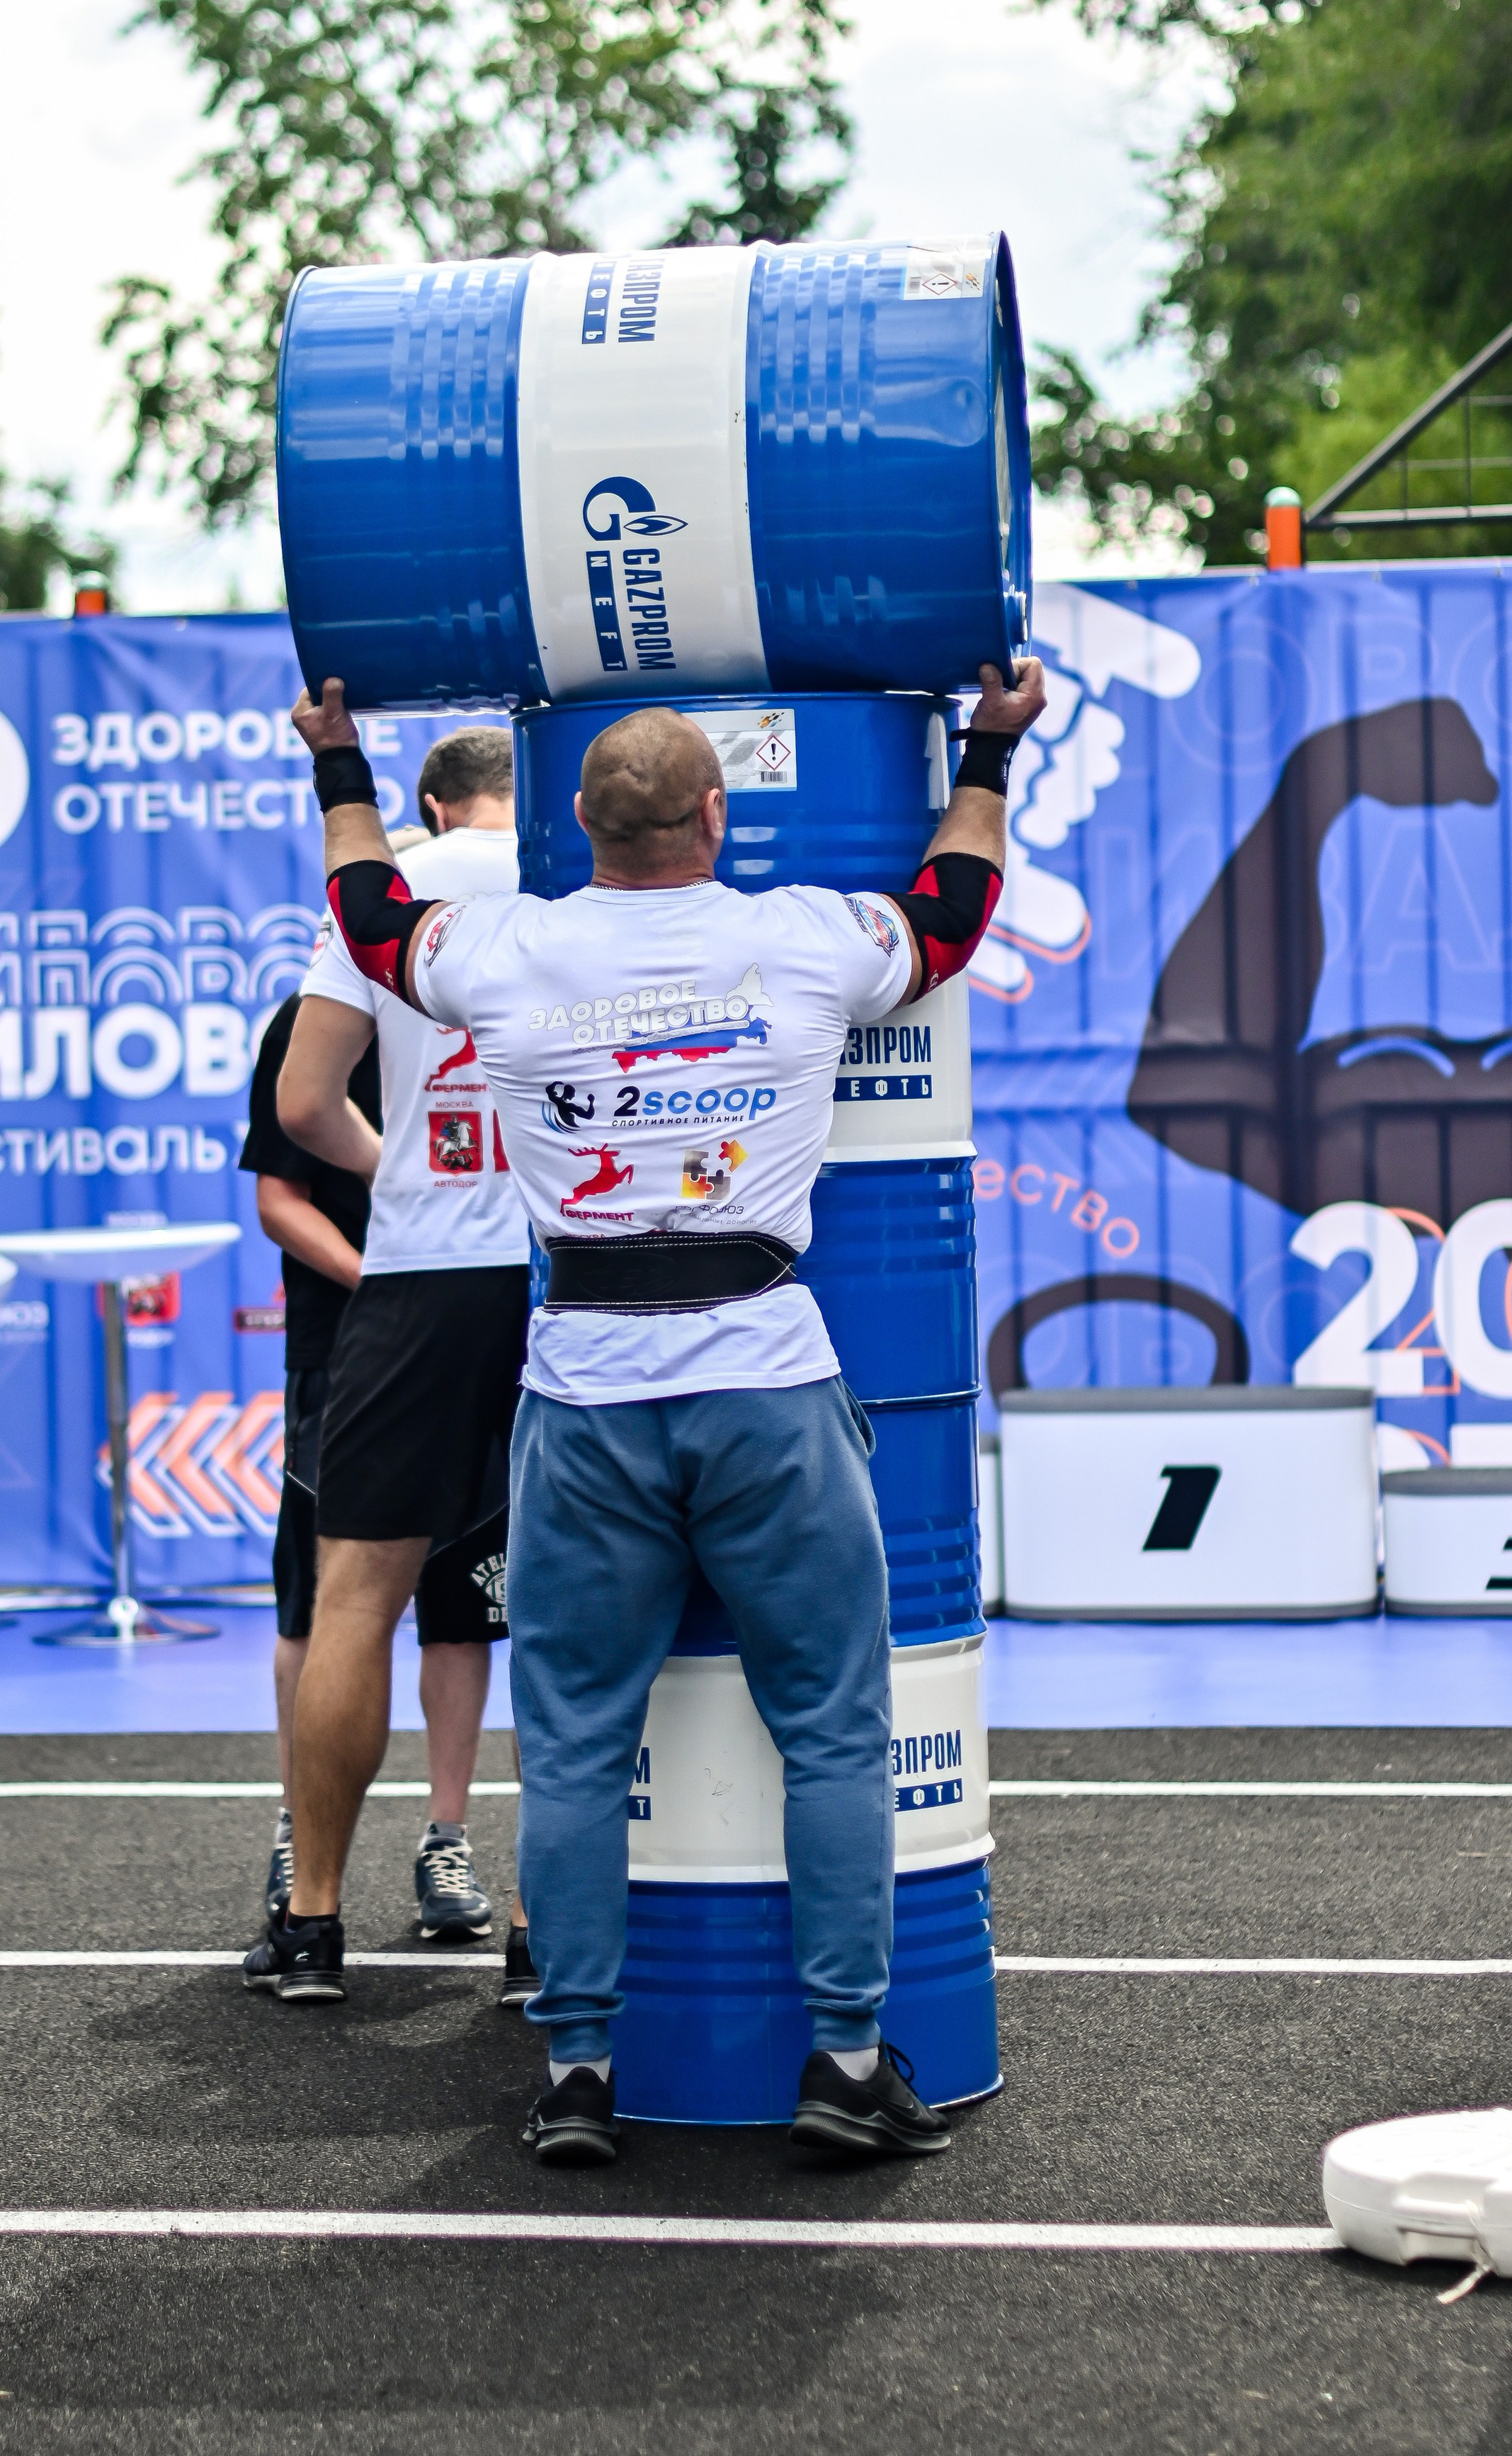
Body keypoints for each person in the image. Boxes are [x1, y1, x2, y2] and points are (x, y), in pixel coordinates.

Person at [297, 654, 1047, 2164]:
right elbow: (955, 910)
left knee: (572, 1745)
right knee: (834, 1734)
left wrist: (338, 761)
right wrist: (986, 741)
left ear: (574, 822)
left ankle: (576, 2067)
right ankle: (842, 2058)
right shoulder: (803, 936)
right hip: (768, 1378)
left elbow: (369, 916)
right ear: (715, 815)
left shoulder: (503, 948)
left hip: (581, 1385)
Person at [256, 726, 536, 2004]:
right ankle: (553, 1921)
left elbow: (308, 1103)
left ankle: (313, 1922)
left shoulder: (395, 889)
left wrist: (410, 1163)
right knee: (581, 1605)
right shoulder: (582, 869)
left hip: (423, 1274)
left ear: (434, 799)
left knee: (351, 1602)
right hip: (566, 1270)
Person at [236, 992, 379, 1929]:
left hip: (487, 1339)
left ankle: (453, 1840)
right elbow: (278, 1197)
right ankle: (306, 1857)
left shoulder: (496, 995)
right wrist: (384, 1283)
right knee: (322, 1604)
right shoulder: (315, 1017)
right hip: (342, 1348)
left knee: (478, 1616)